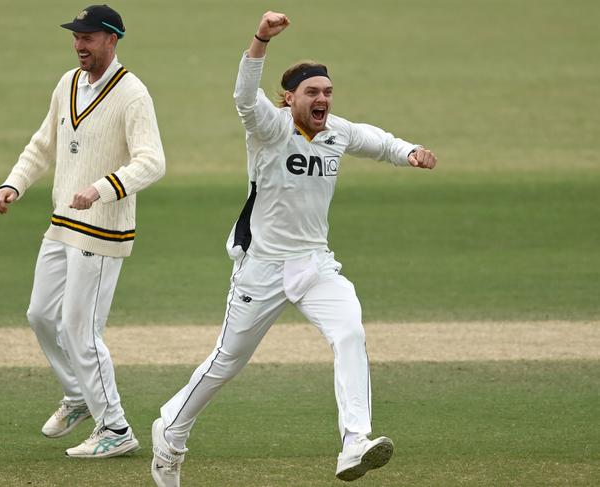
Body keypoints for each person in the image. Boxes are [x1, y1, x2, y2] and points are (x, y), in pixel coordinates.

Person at [151, 10, 436, 485]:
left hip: (314, 265)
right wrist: (260, 39)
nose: (322, 99)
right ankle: (171, 431)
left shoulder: (336, 131)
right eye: (312, 92)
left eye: (327, 92)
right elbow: (244, 98)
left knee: (349, 332)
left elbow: (380, 141)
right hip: (261, 267)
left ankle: (354, 443)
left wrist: (410, 152)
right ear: (290, 99)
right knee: (227, 360)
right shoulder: (270, 127)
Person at [0, 4, 165, 458]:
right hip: (61, 225)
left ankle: (116, 427)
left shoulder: (133, 94)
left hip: (103, 231)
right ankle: (78, 395)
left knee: (80, 329)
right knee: (41, 315)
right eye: (76, 36)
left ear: (112, 39)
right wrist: (14, 183)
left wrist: (102, 189)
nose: (78, 45)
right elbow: (43, 143)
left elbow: (151, 161)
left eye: (87, 37)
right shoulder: (67, 83)